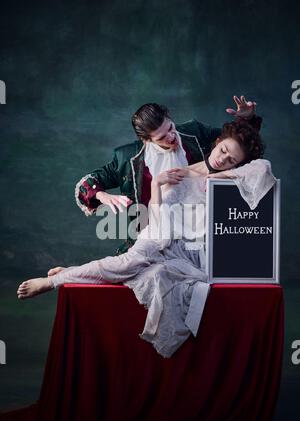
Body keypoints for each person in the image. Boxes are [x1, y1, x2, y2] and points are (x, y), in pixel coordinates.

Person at [17, 118, 276, 358]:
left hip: (188, 247)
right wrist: (153, 186)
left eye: (231, 160)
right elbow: (155, 214)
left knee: (148, 274)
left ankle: (74, 272)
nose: (223, 159)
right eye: (222, 152)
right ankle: (53, 282)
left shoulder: (211, 154)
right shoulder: (171, 168)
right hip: (158, 230)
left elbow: (262, 168)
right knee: (128, 264)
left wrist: (218, 174)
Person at [76, 96, 261, 254]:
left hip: (198, 240)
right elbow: (89, 183)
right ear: (146, 140)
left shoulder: (194, 133)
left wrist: (247, 121)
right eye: (162, 137)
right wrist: (102, 195)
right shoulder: (126, 157)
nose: (171, 136)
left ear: (170, 118)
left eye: (170, 128)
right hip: (149, 240)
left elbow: (236, 146)